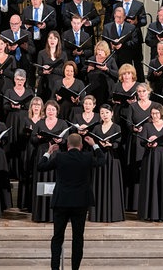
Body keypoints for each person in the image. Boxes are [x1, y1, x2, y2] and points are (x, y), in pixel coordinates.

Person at [37, 133, 105, 270]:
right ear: (81, 146)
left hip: (61, 202)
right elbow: (102, 160)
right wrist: (94, 145)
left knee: (57, 237)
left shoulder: (60, 156)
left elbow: (41, 166)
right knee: (78, 238)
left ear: (67, 145)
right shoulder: (86, 156)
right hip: (80, 203)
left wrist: (48, 152)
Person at [138, 103, 163, 222]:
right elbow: (141, 142)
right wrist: (148, 143)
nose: (154, 115)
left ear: (161, 113)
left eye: (156, 113)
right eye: (152, 113)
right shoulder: (147, 126)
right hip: (151, 157)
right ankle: (150, 212)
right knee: (152, 182)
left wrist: (158, 142)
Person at [31, 100, 69, 222]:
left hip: (57, 155)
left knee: (57, 183)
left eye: (53, 109)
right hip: (43, 154)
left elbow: (66, 140)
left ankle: (57, 214)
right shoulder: (40, 123)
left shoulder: (62, 123)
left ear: (57, 111)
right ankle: (42, 214)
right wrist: (38, 137)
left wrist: (61, 141)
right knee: (42, 182)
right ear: (45, 111)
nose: (50, 112)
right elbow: (32, 139)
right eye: (48, 109)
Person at [89, 104, 124, 223]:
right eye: (102, 113)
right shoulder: (96, 128)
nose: (105, 115)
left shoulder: (116, 127)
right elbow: (93, 142)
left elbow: (119, 143)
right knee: (99, 184)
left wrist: (111, 145)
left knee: (112, 184)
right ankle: (97, 214)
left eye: (107, 112)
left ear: (112, 113)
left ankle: (113, 214)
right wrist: (98, 145)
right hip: (99, 157)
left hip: (112, 158)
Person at [125, 82, 154, 211]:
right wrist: (133, 128)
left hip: (149, 141)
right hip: (136, 141)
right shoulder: (133, 106)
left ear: (149, 91)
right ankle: (135, 203)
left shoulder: (155, 106)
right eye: (139, 92)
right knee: (135, 170)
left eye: (143, 91)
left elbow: (159, 122)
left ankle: (150, 202)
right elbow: (128, 122)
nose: (141, 94)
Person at [3, 69, 35, 180]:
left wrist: (20, 106)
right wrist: (12, 106)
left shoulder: (29, 92)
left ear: (25, 80)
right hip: (12, 120)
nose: (19, 81)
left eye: (22, 79)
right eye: (17, 79)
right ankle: (11, 171)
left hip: (25, 120)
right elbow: (5, 106)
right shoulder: (9, 91)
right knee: (12, 142)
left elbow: (32, 106)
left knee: (23, 144)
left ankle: (23, 170)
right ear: (14, 79)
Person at [18, 97, 45, 211]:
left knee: (39, 176)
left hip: (39, 149)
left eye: (38, 105)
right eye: (34, 105)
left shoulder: (44, 120)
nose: (36, 107)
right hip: (28, 149)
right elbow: (20, 134)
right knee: (27, 175)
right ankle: (25, 203)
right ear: (31, 107)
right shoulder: (25, 119)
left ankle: (38, 203)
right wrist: (27, 133)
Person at [118, 0, 147, 81]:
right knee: (124, 63)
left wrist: (136, 22)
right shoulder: (117, 6)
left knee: (138, 63)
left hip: (136, 38)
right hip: (122, 39)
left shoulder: (138, 4)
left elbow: (144, 20)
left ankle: (141, 85)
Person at [1, 14, 36, 90]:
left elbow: (33, 50)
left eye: (16, 24)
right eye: (11, 24)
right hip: (11, 62)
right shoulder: (5, 34)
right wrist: (9, 48)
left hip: (24, 61)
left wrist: (25, 47)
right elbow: (0, 50)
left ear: (20, 23)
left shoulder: (27, 33)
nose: (13, 26)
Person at [22, 0, 57, 64]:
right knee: (31, 64)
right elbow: (22, 24)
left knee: (45, 62)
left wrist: (45, 25)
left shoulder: (50, 9)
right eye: (33, 0)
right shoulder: (26, 10)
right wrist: (26, 26)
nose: (35, 2)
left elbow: (54, 24)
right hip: (31, 41)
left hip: (44, 40)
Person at [83, 41, 118, 108]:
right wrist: (88, 69)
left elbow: (117, 74)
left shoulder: (110, 60)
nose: (99, 52)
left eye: (102, 50)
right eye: (98, 49)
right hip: (92, 88)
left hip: (106, 88)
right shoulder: (92, 59)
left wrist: (106, 69)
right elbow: (82, 72)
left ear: (106, 51)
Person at [36, 31, 67, 103]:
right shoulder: (41, 53)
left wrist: (52, 70)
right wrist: (44, 72)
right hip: (46, 84)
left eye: (55, 38)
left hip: (58, 84)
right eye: (50, 38)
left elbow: (65, 71)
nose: (52, 40)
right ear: (47, 40)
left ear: (58, 41)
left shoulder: (63, 54)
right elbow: (39, 71)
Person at [61, 14, 93, 79]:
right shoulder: (65, 34)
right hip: (70, 63)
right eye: (74, 23)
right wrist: (72, 53)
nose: (76, 25)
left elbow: (90, 51)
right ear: (71, 23)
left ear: (81, 24)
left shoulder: (86, 35)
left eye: (78, 23)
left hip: (82, 63)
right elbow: (62, 50)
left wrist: (83, 52)